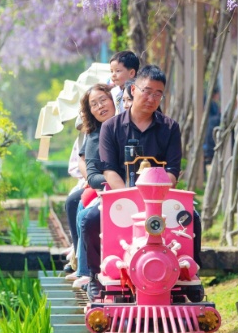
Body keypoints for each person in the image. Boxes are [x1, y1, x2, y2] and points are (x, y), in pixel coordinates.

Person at [81, 64, 203, 301]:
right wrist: (132, 199)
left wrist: (154, 200)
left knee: (192, 219)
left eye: (158, 94)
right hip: (121, 196)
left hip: (161, 198)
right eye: (147, 91)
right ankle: (96, 275)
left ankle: (191, 274)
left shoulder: (170, 128)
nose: (151, 98)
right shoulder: (111, 128)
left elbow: (172, 171)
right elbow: (109, 170)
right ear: (133, 89)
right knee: (90, 220)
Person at [69, 84, 117, 288]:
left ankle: (87, 269)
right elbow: (87, 163)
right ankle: (84, 267)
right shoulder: (94, 133)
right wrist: (96, 179)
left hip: (121, 185)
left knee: (83, 209)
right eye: (94, 104)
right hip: (102, 184)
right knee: (80, 205)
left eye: (103, 100)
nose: (100, 107)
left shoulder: (124, 126)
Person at [62, 121, 89, 275]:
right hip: (92, 180)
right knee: (73, 202)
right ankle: (78, 257)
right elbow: (79, 163)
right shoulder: (88, 135)